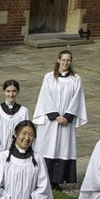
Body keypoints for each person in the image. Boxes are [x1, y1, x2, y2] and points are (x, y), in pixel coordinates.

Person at [32, 50, 87, 186]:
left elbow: (77, 99)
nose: (65, 63)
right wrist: (56, 116)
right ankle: (44, 179)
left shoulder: (76, 79)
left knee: (63, 148)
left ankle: (57, 181)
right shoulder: (49, 77)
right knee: (47, 147)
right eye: (63, 60)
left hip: (66, 122)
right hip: (51, 121)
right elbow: (45, 96)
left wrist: (67, 117)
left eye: (68, 60)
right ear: (58, 60)